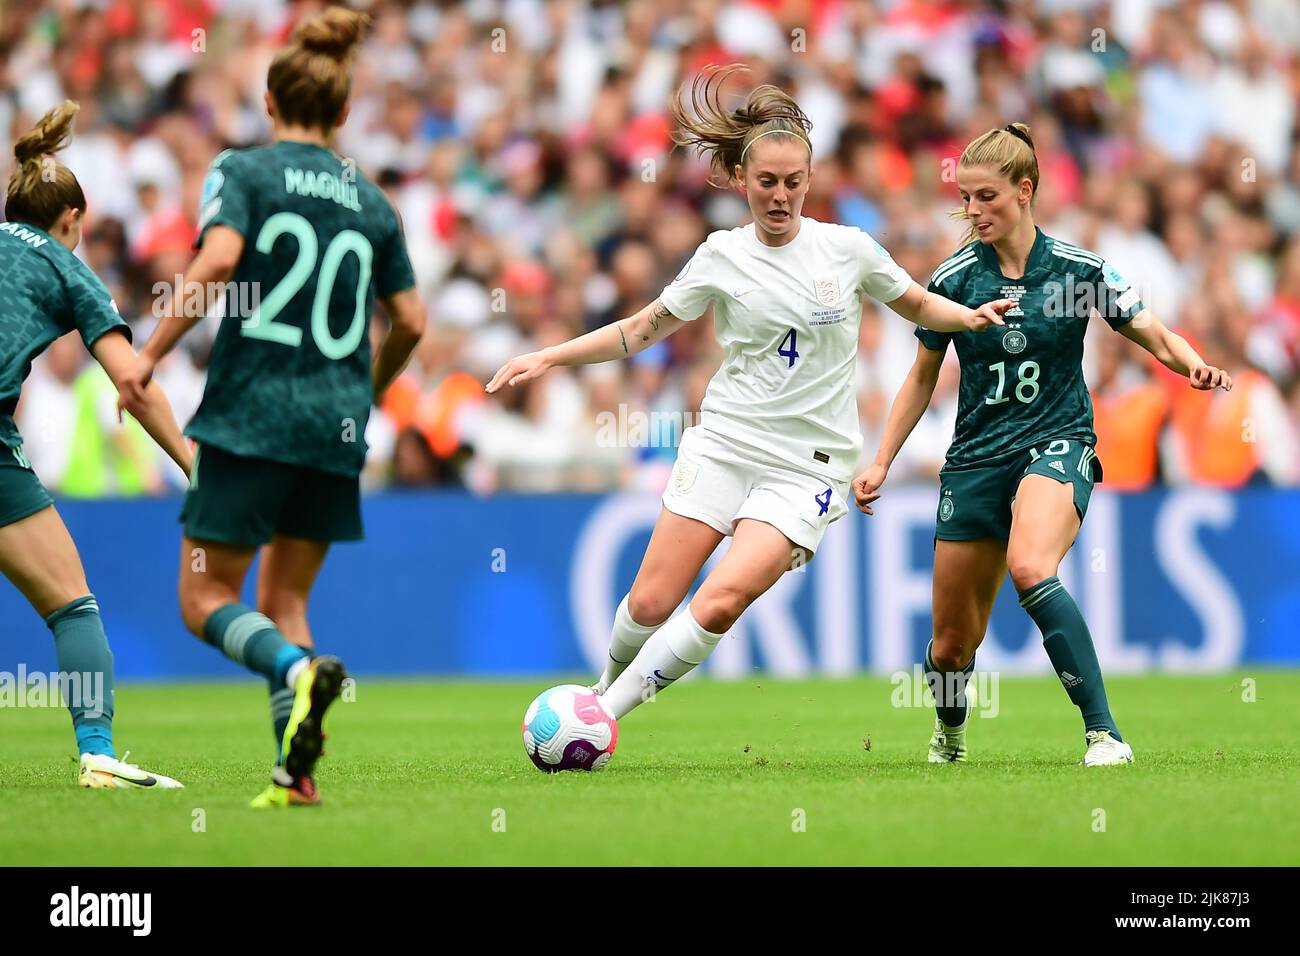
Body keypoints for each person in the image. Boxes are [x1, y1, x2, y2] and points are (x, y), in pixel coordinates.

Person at [488, 65, 1010, 726]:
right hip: (727, 441)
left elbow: (915, 302)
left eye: (794, 182)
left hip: (809, 467)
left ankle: (603, 717)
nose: (781, 196)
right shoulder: (720, 256)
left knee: (723, 598)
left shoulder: (847, 249)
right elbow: (638, 330)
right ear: (741, 180)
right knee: (649, 604)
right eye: (767, 181)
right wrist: (548, 355)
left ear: (810, 181)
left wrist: (965, 318)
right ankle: (600, 691)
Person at [117, 8, 426, 807]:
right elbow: (414, 321)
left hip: (252, 412)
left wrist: (147, 357)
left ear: (268, 99)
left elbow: (218, 257)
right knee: (286, 599)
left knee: (203, 599)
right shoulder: (374, 203)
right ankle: (296, 777)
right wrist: (370, 389)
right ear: (346, 111)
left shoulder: (243, 172)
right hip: (334, 422)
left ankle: (295, 670)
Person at [856, 123, 1232, 766]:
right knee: (950, 646)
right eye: (966, 198)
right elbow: (921, 378)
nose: (972, 211)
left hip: (1057, 443)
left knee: (1032, 567)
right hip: (975, 459)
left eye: (986, 197)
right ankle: (950, 733)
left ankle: (1104, 733)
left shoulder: (1079, 273)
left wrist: (1193, 365)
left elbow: (1154, 334)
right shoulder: (951, 280)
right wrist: (881, 459)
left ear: (1024, 191)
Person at [1, 101, 191, 788]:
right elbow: (134, 387)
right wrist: (194, 466)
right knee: (71, 605)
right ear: (73, 221)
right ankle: (97, 753)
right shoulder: (67, 268)